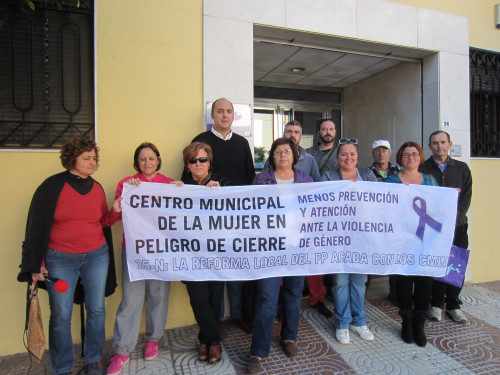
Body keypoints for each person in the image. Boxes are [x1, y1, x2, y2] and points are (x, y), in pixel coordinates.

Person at [18, 137, 121, 375]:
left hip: (96, 256)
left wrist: (114, 212)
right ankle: (62, 367)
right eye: (87, 158)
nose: (92, 162)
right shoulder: (51, 187)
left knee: (96, 310)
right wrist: (37, 263)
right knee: (61, 315)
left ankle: (94, 359)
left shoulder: (96, 188)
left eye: (94, 158)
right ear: (72, 159)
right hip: (60, 260)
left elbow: (102, 222)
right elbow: (35, 227)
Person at [107, 143, 177, 375]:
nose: (147, 163)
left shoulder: (168, 183)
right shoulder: (126, 184)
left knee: (158, 295)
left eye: (151, 158)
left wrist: (180, 190)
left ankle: (153, 338)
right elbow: (114, 218)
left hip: (161, 250)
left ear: (158, 159)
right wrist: (119, 205)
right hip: (134, 250)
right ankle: (123, 349)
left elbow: (182, 213)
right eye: (142, 159)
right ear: (136, 162)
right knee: (131, 299)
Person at [247, 138, 313, 374]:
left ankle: (289, 338)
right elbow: (252, 210)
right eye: (278, 152)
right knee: (267, 299)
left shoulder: (306, 180)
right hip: (270, 248)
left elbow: (315, 213)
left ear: (295, 155)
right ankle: (258, 350)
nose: (283, 155)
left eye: (287, 151)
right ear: (272, 157)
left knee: (294, 294)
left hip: (297, 247)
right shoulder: (262, 178)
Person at [191, 98, 255, 332]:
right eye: (220, 111)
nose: (225, 115)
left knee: (237, 266)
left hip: (238, 216)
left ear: (233, 116)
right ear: (213, 115)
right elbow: (190, 177)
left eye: (229, 111)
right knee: (215, 268)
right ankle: (214, 320)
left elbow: (250, 179)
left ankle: (238, 313)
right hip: (210, 218)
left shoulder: (241, 143)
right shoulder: (201, 141)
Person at [266, 120, 329, 317]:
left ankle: (316, 299)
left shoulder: (309, 159)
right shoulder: (275, 155)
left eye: (296, 132)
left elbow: (316, 188)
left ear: (301, 136)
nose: (293, 134)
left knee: (310, 264)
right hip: (278, 224)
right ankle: (281, 303)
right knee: (282, 265)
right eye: (289, 131)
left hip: (303, 223)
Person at [320, 138, 377, 345]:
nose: (348, 158)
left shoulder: (368, 176)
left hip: (362, 239)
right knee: (340, 282)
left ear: (357, 157)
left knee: (359, 282)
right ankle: (342, 323)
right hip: (337, 240)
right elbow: (319, 204)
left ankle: (359, 321)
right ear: (338, 158)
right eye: (344, 154)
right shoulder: (327, 176)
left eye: (352, 154)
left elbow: (383, 201)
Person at [384, 141, 437, 347]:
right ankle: (406, 321)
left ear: (420, 157)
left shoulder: (430, 180)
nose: (411, 158)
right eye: (406, 155)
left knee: (424, 281)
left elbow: (439, 207)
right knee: (403, 281)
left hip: (425, 241)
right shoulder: (390, 182)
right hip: (400, 241)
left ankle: (419, 324)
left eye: (414, 154)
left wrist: (452, 197)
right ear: (400, 158)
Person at [420, 131, 472, 324]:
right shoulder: (424, 168)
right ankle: (436, 304)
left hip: (457, 226)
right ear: (430, 146)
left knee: (455, 265)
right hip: (434, 228)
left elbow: (465, 197)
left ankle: (453, 305)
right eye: (435, 143)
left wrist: (454, 220)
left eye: (442, 142)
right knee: (436, 263)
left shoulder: (462, 168)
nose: (439, 146)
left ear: (450, 144)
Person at [181, 142, 224, 364]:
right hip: (190, 256)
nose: (198, 163)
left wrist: (221, 193)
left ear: (210, 162)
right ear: (187, 165)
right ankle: (214, 341)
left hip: (217, 254)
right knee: (198, 300)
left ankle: (204, 340)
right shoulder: (178, 187)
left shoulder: (222, 183)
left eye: (202, 159)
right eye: (193, 160)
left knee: (214, 299)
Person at [368, 140, 400, 305]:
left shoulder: (399, 172)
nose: (381, 154)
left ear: (390, 153)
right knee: (367, 257)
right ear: (373, 153)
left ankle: (395, 293)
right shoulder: (365, 173)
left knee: (395, 259)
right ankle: (363, 293)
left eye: (384, 150)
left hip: (394, 224)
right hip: (374, 224)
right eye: (378, 151)